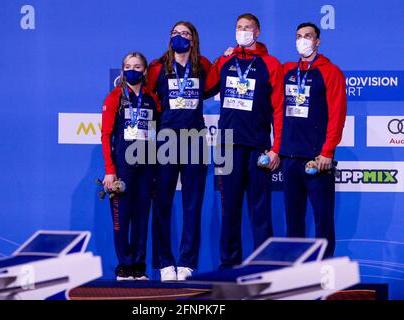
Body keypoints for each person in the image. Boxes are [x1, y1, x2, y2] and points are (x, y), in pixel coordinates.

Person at [205, 13, 284, 269]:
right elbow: (204, 88)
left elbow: (279, 109)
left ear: (257, 32)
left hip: (258, 146)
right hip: (228, 145)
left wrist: (276, 148)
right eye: (239, 27)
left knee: (260, 211)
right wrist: (219, 59)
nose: (243, 31)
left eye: (248, 27)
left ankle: (265, 266)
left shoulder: (271, 64)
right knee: (229, 210)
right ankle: (229, 265)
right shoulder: (226, 61)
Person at [148, 21, 212, 281]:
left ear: (193, 40)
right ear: (169, 38)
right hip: (165, 140)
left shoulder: (203, 66)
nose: (180, 37)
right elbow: (146, 99)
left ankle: (187, 263)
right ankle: (165, 263)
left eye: (185, 34)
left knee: (192, 204)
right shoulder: (156, 68)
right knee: (162, 202)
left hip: (195, 138)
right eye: (175, 33)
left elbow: (221, 80)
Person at [280, 22, 346, 258]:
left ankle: (325, 270)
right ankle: (296, 275)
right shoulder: (286, 70)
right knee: (293, 222)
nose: (303, 40)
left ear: (317, 41)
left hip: (317, 159)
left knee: (322, 220)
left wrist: (328, 151)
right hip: (289, 157)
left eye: (308, 36)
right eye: (299, 36)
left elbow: (337, 114)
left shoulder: (331, 71)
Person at [101, 52, 161, 280]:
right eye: (128, 66)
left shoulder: (152, 99)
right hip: (122, 168)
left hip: (146, 168)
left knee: (142, 219)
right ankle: (124, 267)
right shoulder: (114, 97)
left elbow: (157, 135)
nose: (132, 70)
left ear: (145, 71)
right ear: (122, 70)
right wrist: (110, 170)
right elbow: (106, 136)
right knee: (122, 218)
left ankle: (138, 267)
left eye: (137, 66)